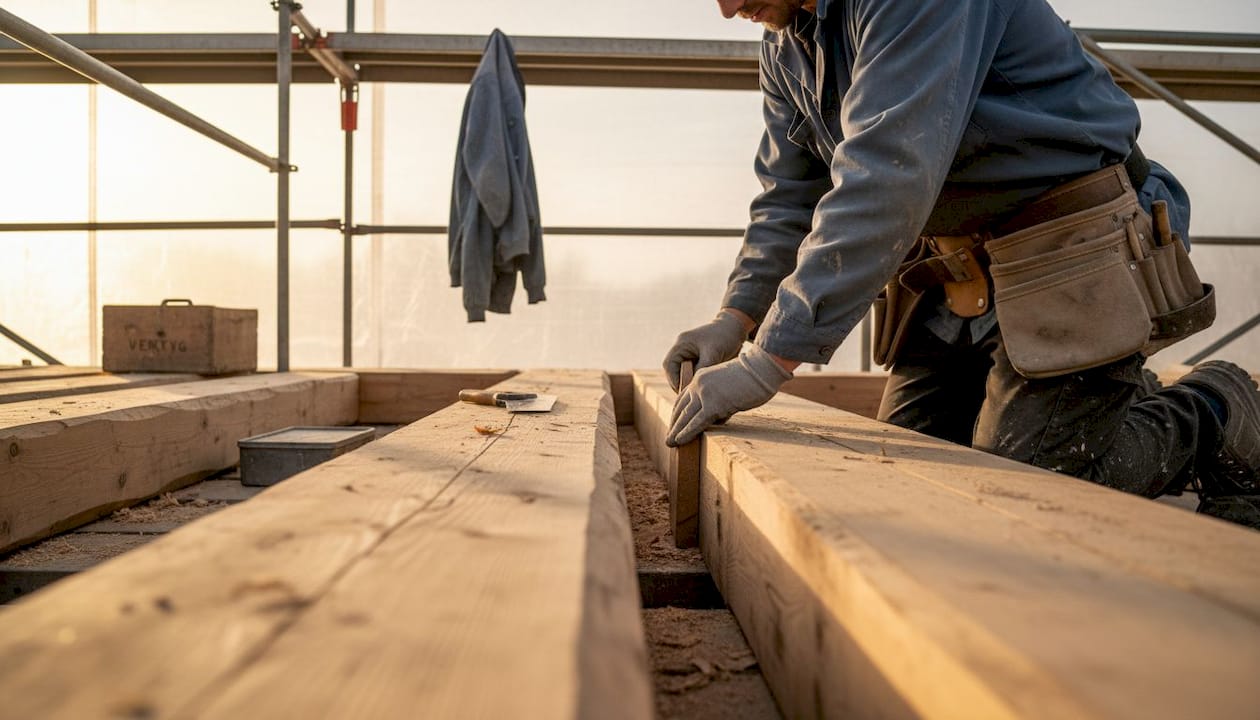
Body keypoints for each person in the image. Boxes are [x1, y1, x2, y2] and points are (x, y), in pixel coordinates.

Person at [663, 0, 1260, 528]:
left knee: (1028, 496)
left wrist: (768, 362)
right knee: (906, 476)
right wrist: (735, 316)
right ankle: (1102, 396)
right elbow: (788, 197)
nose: (725, 8)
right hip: (958, 277)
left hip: (1072, 246)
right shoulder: (786, 42)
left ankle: (1211, 408)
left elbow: (887, 173)